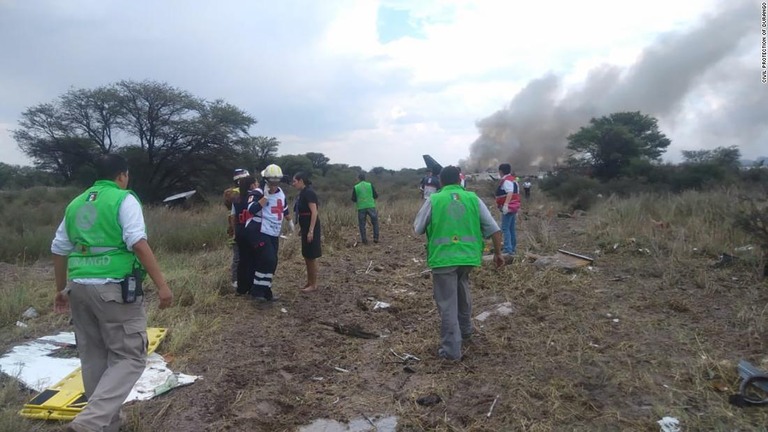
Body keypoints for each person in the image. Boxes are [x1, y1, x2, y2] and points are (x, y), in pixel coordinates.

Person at [51, 154, 173, 432]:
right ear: (122, 175)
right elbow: (138, 243)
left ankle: (108, 424)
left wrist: (60, 289)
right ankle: (89, 423)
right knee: (130, 357)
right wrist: (162, 286)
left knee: (94, 357)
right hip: (113, 289)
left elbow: (59, 248)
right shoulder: (123, 199)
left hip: (78, 288)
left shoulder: (76, 203)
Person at [414, 166, 503, 361]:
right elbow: (494, 230)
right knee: (463, 291)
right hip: (468, 258)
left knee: (447, 304)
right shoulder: (473, 198)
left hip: (443, 259)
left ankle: (451, 351)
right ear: (459, 180)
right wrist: (498, 254)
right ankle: (466, 331)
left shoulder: (434, 200)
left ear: (441, 181)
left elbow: (418, 228)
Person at [247, 164, 291, 302]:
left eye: (277, 181)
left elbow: (284, 209)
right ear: (266, 180)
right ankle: (257, 292)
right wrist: (264, 198)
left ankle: (266, 291)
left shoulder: (281, 193)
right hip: (259, 230)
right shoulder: (257, 193)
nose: (275, 184)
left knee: (273, 262)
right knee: (268, 259)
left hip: (273, 231)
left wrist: (290, 221)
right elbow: (251, 210)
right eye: (272, 181)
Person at [292, 171, 321, 292]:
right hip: (305, 226)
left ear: (301, 181)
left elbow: (314, 212)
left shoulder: (309, 193)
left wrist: (311, 231)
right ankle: (309, 282)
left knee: (311, 256)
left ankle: (313, 284)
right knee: (306, 255)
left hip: (311, 227)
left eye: (294, 181)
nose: (293, 184)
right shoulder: (302, 193)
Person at [231, 174, 259, 296]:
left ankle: (241, 288)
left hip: (240, 231)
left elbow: (232, 216)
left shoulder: (236, 199)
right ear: (252, 185)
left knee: (242, 260)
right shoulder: (254, 197)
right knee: (253, 259)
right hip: (252, 231)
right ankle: (252, 286)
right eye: (256, 183)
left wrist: (235, 231)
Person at [225, 169, 250, 289]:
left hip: (243, 226)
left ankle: (242, 278)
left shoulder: (244, 193)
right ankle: (235, 279)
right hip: (237, 227)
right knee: (238, 256)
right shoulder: (234, 194)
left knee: (243, 256)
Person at [495, 163, 521, 255]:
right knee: (511, 228)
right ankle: (512, 248)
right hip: (514, 206)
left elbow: (510, 192)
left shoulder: (506, 181)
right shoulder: (514, 180)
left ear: (501, 171)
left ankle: (508, 249)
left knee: (505, 228)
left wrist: (506, 205)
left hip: (509, 207)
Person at [351, 173, 380, 244]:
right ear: (365, 178)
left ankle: (364, 240)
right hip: (370, 206)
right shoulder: (370, 185)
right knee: (375, 222)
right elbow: (376, 195)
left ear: (358, 178)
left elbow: (353, 199)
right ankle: (376, 238)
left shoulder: (356, 187)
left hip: (361, 207)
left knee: (362, 224)